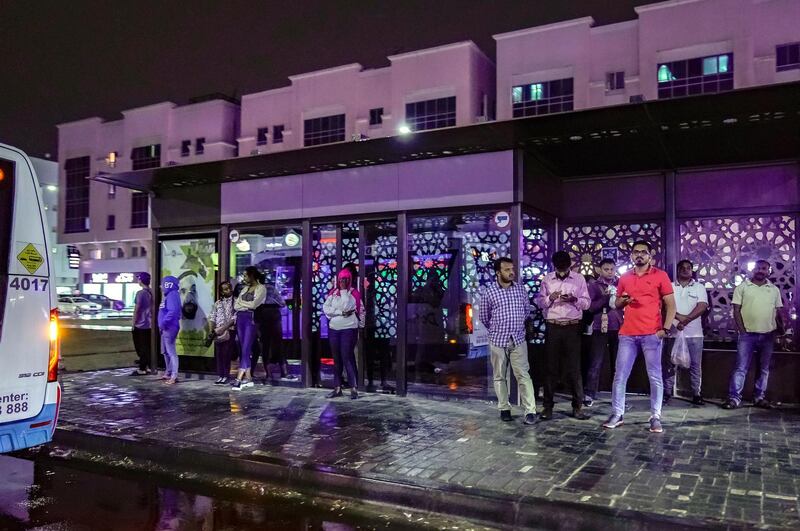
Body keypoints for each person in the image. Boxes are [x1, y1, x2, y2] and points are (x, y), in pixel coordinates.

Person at [603, 241, 676, 433]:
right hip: (627, 334)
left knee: (655, 376)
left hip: (652, 333)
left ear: (650, 255)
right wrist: (623, 301)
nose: (639, 255)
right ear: (631, 256)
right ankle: (617, 413)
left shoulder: (660, 275)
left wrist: (665, 330)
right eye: (636, 252)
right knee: (620, 376)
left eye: (643, 252)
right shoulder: (625, 277)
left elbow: (671, 305)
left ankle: (655, 416)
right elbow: (617, 304)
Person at [479, 257, 538, 425]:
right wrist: (498, 328)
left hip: (518, 338)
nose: (511, 272)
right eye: (507, 270)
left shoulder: (520, 289)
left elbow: (527, 312)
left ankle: (530, 410)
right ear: (498, 272)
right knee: (499, 376)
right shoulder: (490, 292)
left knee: (523, 375)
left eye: (512, 269)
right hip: (498, 340)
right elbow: (484, 317)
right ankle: (504, 408)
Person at [535, 251, 591, 421]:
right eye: (559, 268)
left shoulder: (579, 279)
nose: (561, 271)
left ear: (570, 265)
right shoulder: (547, 279)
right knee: (550, 367)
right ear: (554, 266)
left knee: (574, 368)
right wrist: (550, 299)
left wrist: (574, 299)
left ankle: (577, 407)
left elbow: (586, 303)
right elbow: (539, 302)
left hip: (572, 328)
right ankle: (547, 407)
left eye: (564, 267)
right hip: (553, 327)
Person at [722, 260, 784, 410]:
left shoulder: (774, 289)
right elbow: (736, 310)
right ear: (753, 269)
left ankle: (759, 397)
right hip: (747, 336)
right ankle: (734, 398)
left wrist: (780, 330)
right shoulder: (742, 287)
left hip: (768, 335)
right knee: (740, 368)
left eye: (764, 268)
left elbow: (778, 313)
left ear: (768, 271)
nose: (761, 271)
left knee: (763, 369)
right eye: (758, 268)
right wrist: (742, 330)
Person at [662, 259, 708, 406]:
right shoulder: (669, 286)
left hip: (695, 334)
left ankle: (696, 394)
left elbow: (702, 306)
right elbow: (665, 306)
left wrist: (686, 320)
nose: (685, 270)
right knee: (670, 364)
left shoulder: (699, 287)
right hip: (673, 332)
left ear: (692, 270)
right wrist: (679, 318)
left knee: (695, 365)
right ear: (678, 270)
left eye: (688, 268)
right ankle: (667, 393)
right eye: (682, 268)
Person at [584, 259, 623, 406]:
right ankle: (589, 394)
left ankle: (618, 396)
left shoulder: (620, 283)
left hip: (618, 327)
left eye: (612, 269)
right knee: (596, 362)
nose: (610, 272)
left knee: (618, 364)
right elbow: (590, 307)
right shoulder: (594, 286)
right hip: (599, 327)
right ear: (600, 270)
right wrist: (605, 298)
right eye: (606, 269)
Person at [323, 268, 365, 399]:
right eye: (340, 279)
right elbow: (326, 309)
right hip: (334, 329)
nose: (342, 282)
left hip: (348, 329)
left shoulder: (354, 294)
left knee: (347, 357)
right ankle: (337, 388)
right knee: (336, 359)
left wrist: (343, 291)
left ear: (349, 280)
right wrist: (339, 312)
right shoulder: (333, 293)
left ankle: (354, 388)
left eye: (345, 279)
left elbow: (347, 306)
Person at [252, 270, 291, 382]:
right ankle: (284, 372)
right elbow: (282, 303)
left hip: (262, 317)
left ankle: (268, 374)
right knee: (278, 345)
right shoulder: (271, 289)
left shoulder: (255, 290)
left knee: (265, 346)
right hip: (274, 316)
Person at [232, 266, 266, 391]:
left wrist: (242, 303)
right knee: (242, 347)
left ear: (252, 276)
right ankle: (249, 378)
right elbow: (235, 305)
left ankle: (239, 378)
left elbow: (254, 304)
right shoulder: (245, 288)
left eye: (246, 275)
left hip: (251, 319)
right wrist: (243, 304)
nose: (244, 278)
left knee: (246, 348)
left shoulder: (261, 288)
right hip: (241, 318)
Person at [209, 280, 236, 385]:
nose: (228, 290)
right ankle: (220, 375)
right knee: (219, 354)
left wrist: (224, 328)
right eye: (225, 289)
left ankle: (226, 375)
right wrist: (213, 330)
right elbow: (212, 316)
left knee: (226, 354)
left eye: (229, 288)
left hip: (229, 330)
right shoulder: (218, 303)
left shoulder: (235, 301)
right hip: (218, 331)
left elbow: (234, 318)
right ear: (221, 292)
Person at [157, 275, 181, 384]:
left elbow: (173, 312)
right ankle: (168, 372)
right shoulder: (169, 295)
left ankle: (174, 375)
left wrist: (163, 323)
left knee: (171, 352)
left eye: (162, 284)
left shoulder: (172, 295)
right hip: (165, 327)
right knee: (165, 352)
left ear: (168, 284)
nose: (160, 286)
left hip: (169, 327)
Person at [131, 272, 153, 376]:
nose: (138, 280)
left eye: (139, 279)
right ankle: (148, 366)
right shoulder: (152, 292)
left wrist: (133, 323)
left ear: (141, 280)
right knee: (148, 346)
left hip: (141, 324)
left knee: (141, 346)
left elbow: (137, 309)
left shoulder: (140, 293)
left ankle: (142, 368)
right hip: (150, 324)